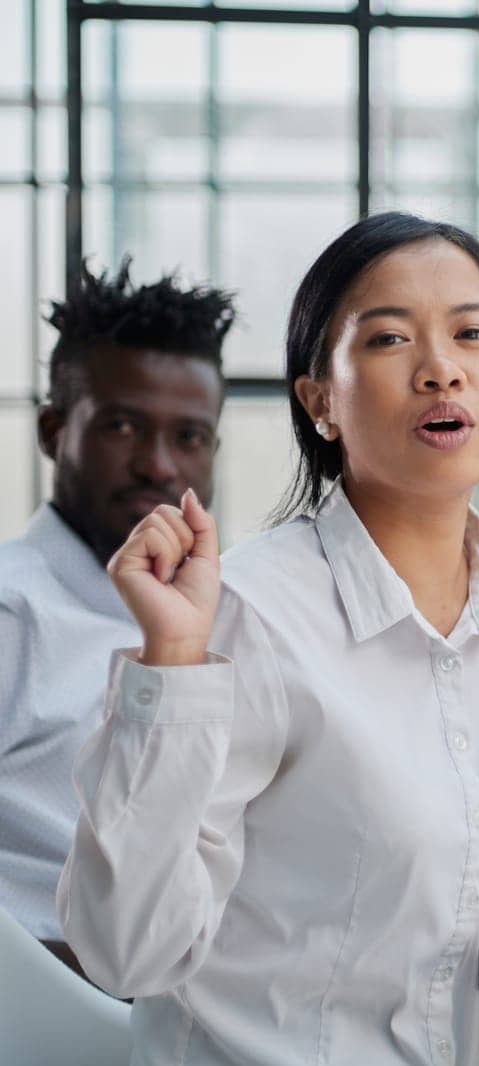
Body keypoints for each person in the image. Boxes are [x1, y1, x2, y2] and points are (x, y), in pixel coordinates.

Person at [57, 212, 479, 1063]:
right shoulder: (252, 611)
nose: (441, 369)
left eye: (473, 336)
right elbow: (128, 954)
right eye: (388, 340)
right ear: (320, 401)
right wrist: (174, 669)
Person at [0, 260, 231, 973]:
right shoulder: (13, 614)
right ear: (52, 431)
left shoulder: (229, 615)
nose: (159, 466)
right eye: (122, 426)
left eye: (190, 437)